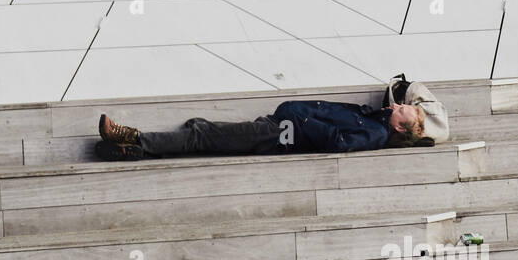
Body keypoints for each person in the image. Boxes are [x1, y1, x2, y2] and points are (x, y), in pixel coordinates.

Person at [96, 92, 432, 161]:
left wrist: (302, 120)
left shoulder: (374, 133)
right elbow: (409, 88)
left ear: (401, 129)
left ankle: (134, 138)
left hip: (283, 134)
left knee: (205, 135)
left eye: (405, 110)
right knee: (207, 133)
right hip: (280, 126)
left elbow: (339, 142)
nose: (400, 104)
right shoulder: (375, 117)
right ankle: (131, 150)